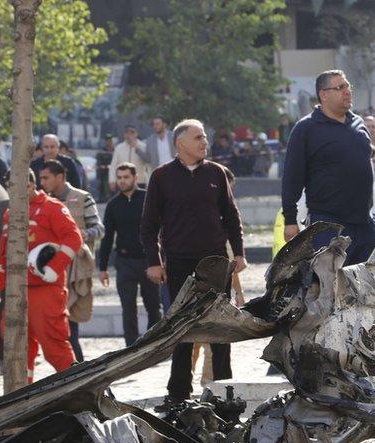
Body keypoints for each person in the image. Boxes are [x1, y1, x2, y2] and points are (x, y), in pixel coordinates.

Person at [141, 119, 247, 404]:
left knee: (221, 327)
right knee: (181, 329)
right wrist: (154, 261)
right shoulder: (161, 177)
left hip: (215, 261)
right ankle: (178, 392)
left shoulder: (216, 173)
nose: (204, 142)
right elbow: (149, 226)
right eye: (198, 137)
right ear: (181, 144)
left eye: (205, 137)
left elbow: (231, 216)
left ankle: (224, 389)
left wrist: (238, 253)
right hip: (178, 263)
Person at [0, 170, 82, 383]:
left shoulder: (53, 208)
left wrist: (54, 268)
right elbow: (3, 252)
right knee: (17, 346)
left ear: (31, 185)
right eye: (10, 188)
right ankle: (22, 393)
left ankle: (78, 389)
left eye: (18, 187)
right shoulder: (10, 214)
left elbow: (74, 238)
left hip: (46, 290)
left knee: (54, 346)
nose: (14, 192)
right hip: (16, 291)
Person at [282, 70, 375, 265]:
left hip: (363, 223)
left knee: (369, 285)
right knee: (331, 287)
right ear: (323, 94)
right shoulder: (305, 129)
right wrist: (290, 221)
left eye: (347, 86)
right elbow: (292, 177)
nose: (347, 92)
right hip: (328, 225)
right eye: (339, 87)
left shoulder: (358, 123)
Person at [38, 160, 103, 364]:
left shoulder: (82, 198)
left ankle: (78, 370)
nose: (42, 182)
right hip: (49, 271)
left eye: (45, 177)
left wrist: (84, 234)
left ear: (60, 177)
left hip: (76, 271)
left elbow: (99, 229)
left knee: (71, 325)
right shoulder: (43, 202)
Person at [99, 162, 162, 346]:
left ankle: (154, 344)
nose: (122, 181)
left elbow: (161, 229)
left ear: (135, 177)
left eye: (126, 177)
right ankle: (131, 347)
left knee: (153, 305)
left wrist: (161, 261)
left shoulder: (149, 199)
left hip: (149, 261)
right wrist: (102, 267)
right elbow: (107, 237)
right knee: (128, 307)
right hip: (124, 262)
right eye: (119, 177)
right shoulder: (113, 205)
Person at [95, 134, 115, 202]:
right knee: (102, 186)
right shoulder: (101, 152)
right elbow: (98, 164)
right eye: (107, 140)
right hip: (103, 174)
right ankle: (103, 197)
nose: (108, 142)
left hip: (113, 173)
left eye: (110, 140)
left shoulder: (115, 151)